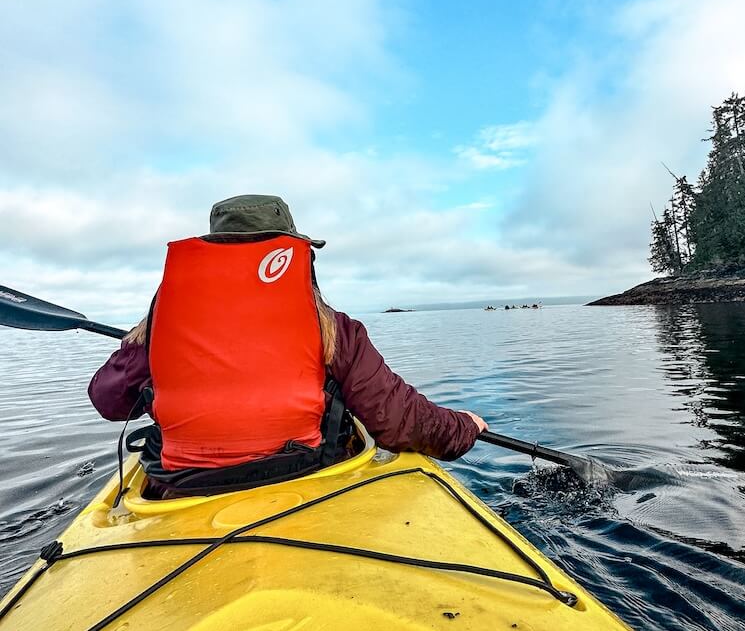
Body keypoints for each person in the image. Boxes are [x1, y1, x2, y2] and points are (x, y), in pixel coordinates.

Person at [89, 194, 486, 495]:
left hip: (183, 489)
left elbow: (109, 400)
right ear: (294, 254)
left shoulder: (159, 328)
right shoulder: (333, 329)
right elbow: (399, 422)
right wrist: (464, 427)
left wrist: (146, 350)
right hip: (304, 476)